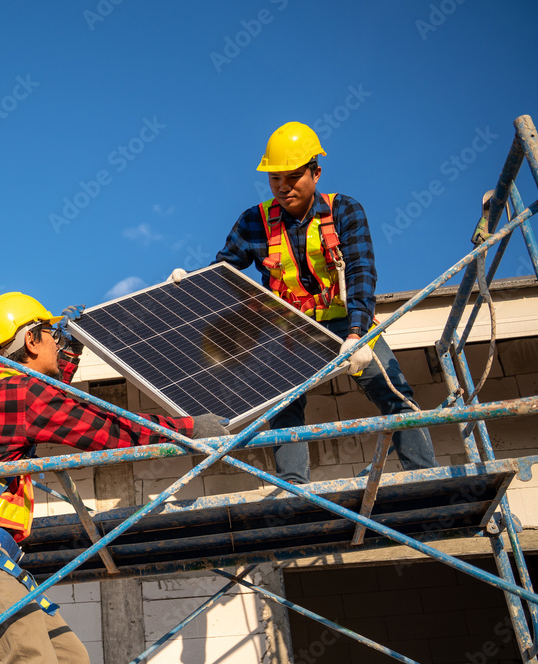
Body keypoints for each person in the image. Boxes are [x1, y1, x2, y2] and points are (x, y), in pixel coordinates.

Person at [0, 292, 228, 664]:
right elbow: (105, 427)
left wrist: (69, 352)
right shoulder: (20, 393)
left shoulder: (8, 388)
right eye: (52, 335)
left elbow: (50, 398)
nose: (57, 340)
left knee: (71, 658)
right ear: (31, 341)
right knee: (30, 659)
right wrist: (188, 430)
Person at [171, 121, 437, 483]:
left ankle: (427, 477)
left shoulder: (344, 211)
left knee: (393, 392)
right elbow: (224, 273)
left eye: (293, 177)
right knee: (283, 408)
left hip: (346, 322)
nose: (283, 187)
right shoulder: (254, 221)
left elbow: (361, 272)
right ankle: (295, 491)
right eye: (275, 179)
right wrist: (192, 283)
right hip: (290, 330)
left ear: (316, 172)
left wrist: (357, 335)